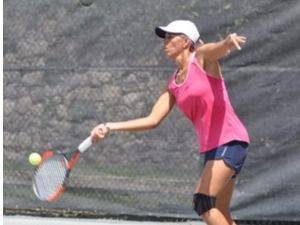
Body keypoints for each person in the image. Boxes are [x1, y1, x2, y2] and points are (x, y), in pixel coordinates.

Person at [90, 20, 250, 225]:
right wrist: (110, 125)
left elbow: (214, 50)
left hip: (231, 140)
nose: (165, 42)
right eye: (164, 38)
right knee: (220, 211)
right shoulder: (174, 84)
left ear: (185, 41)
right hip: (212, 149)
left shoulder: (201, 59)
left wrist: (227, 43)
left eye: (169, 37)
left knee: (203, 203)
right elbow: (152, 119)